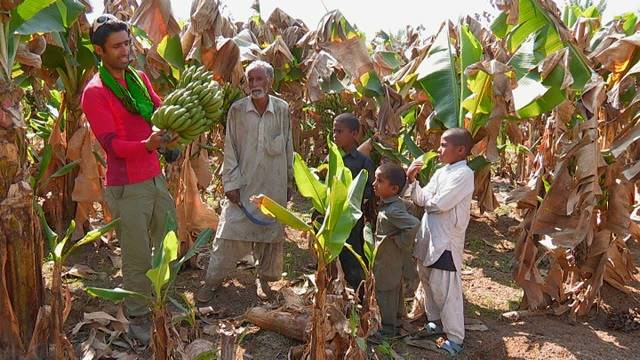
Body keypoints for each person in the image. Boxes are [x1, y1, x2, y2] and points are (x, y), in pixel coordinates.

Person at [81, 14, 176, 342]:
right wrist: (147, 145)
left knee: (168, 241)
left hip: (154, 177)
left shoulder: (138, 79)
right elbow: (112, 146)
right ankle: (137, 317)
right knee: (136, 254)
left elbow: (158, 110)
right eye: (117, 46)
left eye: (128, 43)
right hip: (127, 184)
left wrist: (174, 129)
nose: (126, 50)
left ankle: (162, 300)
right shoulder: (95, 92)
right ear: (100, 51)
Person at [197, 60, 293, 302]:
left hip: (273, 183)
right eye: (250, 80)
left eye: (259, 79)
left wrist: (289, 180)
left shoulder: (281, 109)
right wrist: (230, 184)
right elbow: (230, 149)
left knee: (270, 238)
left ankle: (264, 281)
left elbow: (288, 146)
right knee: (228, 235)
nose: (254, 84)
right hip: (243, 184)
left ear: (269, 82)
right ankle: (212, 282)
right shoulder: (237, 111)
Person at [406, 128, 475, 356]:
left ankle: (455, 337)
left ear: (461, 150)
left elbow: (439, 203)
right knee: (427, 280)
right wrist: (412, 180)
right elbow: (422, 196)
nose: (439, 149)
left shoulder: (464, 174)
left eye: (444, 145)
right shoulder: (441, 172)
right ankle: (435, 321)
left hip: (446, 239)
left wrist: (428, 200)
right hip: (429, 234)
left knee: (445, 288)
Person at [372, 163, 420, 336]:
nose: (374, 184)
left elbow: (414, 224)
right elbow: (409, 208)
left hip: (389, 258)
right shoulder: (393, 203)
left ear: (393, 189)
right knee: (393, 288)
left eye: (379, 181)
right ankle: (399, 318)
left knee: (385, 290)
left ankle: (387, 328)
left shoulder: (392, 210)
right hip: (388, 257)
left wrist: (401, 241)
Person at [331, 113, 376, 291]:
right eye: (334, 131)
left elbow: (369, 189)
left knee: (353, 255)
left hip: (352, 218)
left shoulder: (363, 161)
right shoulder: (333, 158)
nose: (335, 135)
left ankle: (360, 293)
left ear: (355, 134)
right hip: (332, 216)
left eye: (340, 131)